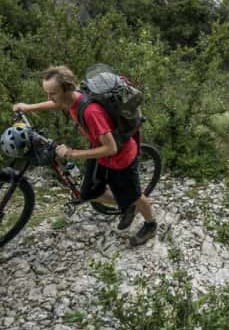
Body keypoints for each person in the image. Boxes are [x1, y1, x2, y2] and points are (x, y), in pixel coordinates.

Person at [13, 65, 157, 247]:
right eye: (47, 93)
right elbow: (57, 104)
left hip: (120, 157)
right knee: (89, 193)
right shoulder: (72, 99)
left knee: (135, 194)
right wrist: (28, 107)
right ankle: (127, 205)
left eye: (53, 93)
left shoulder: (91, 112)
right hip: (100, 153)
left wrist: (73, 153)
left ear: (68, 89)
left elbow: (111, 148)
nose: (49, 98)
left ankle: (150, 224)